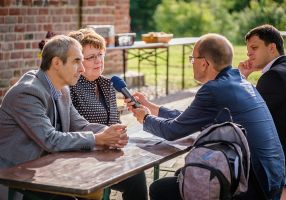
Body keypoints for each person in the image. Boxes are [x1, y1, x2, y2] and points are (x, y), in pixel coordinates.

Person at [125, 33, 285, 200]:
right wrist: (152, 108)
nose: (191, 63)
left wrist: (145, 118)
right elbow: (189, 118)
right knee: (182, 174)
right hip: (271, 179)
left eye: (192, 59)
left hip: (251, 187)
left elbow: (172, 131)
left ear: (204, 63)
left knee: (160, 188)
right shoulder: (238, 81)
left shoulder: (213, 90)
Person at [0, 35, 128, 200]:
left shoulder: (63, 89)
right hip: (17, 179)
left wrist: (112, 133)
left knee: (131, 178)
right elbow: (50, 139)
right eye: (76, 61)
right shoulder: (27, 93)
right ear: (57, 63)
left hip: (50, 172)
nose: (82, 69)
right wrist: (98, 139)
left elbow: (81, 125)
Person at [67, 28, 148, 200]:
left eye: (100, 54)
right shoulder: (70, 88)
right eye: (91, 57)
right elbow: (70, 128)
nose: (98, 61)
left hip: (110, 154)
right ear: (78, 61)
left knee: (137, 176)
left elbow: (114, 123)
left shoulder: (108, 84)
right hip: (83, 159)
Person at [238, 24, 286, 200]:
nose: (249, 53)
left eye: (254, 47)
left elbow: (246, 116)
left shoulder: (273, 76)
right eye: (248, 49)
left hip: (275, 166)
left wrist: (241, 78)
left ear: (272, 47)